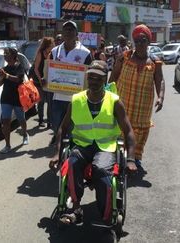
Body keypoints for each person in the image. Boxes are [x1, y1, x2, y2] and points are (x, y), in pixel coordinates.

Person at [49, 60, 137, 225]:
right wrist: (56, 154)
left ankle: (105, 211)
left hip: (106, 146)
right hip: (82, 145)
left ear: (105, 79)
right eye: (91, 77)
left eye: (99, 78)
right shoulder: (76, 100)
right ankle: (75, 209)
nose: (94, 81)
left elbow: (129, 131)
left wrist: (131, 159)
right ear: (87, 77)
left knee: (101, 169)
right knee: (72, 163)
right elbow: (63, 128)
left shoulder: (115, 101)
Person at [108, 24, 165, 170]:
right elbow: (114, 75)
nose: (140, 44)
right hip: (123, 102)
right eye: (137, 41)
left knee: (140, 132)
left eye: (143, 40)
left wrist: (161, 97)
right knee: (119, 128)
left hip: (142, 106)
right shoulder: (124, 57)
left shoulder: (154, 62)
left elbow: (160, 80)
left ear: (148, 42)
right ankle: (117, 156)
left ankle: (135, 158)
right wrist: (107, 93)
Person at [48, 20, 93, 148]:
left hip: (77, 99)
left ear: (76, 33)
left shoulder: (85, 53)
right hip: (57, 98)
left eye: (71, 29)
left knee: (74, 130)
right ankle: (60, 152)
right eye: (65, 29)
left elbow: (90, 74)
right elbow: (48, 72)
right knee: (57, 127)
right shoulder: (55, 51)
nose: (68, 32)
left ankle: (72, 155)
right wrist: (45, 79)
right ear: (62, 33)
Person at [0, 47, 29, 153]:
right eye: (4, 53)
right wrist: (1, 76)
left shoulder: (19, 66)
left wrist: (6, 76)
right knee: (5, 121)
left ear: (13, 55)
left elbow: (18, 79)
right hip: (6, 98)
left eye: (7, 53)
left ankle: (25, 134)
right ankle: (7, 145)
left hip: (18, 98)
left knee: (21, 119)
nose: (5, 55)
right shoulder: (5, 68)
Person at [32, 37, 54, 127]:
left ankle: (49, 121)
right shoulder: (40, 53)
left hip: (49, 81)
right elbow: (36, 68)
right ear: (48, 45)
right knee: (41, 101)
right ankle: (41, 120)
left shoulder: (52, 53)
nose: (53, 46)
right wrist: (40, 78)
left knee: (50, 101)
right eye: (52, 44)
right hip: (39, 81)